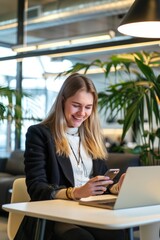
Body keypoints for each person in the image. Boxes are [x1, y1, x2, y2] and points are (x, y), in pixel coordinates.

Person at [15, 73, 125, 240]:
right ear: (62, 102)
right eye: (76, 105)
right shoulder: (39, 134)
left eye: (88, 107)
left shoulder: (93, 137)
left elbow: (98, 183)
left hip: (88, 211)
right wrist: (74, 192)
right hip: (53, 215)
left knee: (116, 233)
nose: (82, 113)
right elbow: (36, 187)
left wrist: (115, 188)